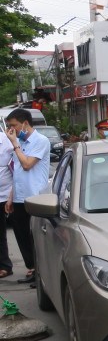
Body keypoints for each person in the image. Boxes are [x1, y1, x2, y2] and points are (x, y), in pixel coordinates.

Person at [4, 109, 51, 287]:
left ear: (25, 123)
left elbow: (26, 165)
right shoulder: (21, 142)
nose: (12, 129)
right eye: (9, 126)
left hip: (35, 198)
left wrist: (15, 144)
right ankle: (32, 268)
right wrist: (10, 196)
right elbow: (16, 172)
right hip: (19, 197)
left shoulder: (40, 141)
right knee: (22, 235)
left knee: (36, 237)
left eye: (14, 125)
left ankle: (41, 273)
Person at [0, 131, 15, 279]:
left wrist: (12, 194)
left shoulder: (7, 141)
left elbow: (15, 166)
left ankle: (32, 265)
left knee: (20, 229)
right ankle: (4, 266)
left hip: (8, 193)